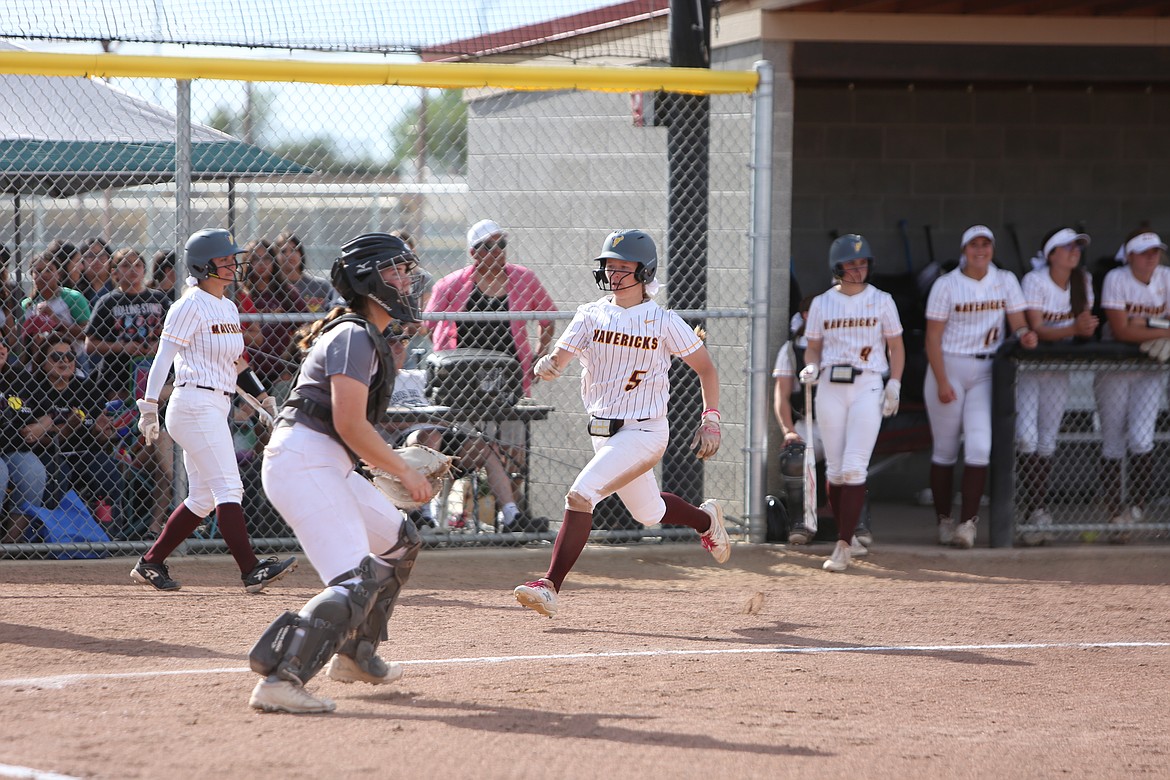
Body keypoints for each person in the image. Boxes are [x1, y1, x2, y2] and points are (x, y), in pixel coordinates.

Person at [247, 232, 433, 714]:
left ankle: (355, 652)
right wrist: (404, 472)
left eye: (406, 270)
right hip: (304, 461)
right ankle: (280, 679)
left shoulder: (365, 335)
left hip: (326, 462)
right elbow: (349, 424)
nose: (407, 280)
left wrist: (389, 459)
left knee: (400, 540)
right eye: (396, 271)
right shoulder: (353, 334)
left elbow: (349, 431)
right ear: (369, 280)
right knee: (353, 581)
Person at [512, 229, 728, 618]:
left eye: (623, 267)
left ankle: (548, 584)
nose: (613, 274)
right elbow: (561, 358)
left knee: (581, 494)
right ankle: (705, 520)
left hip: (644, 430)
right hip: (604, 431)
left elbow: (707, 369)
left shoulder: (662, 320)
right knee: (649, 513)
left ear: (644, 272)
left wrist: (710, 419)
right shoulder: (590, 313)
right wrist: (549, 366)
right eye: (609, 266)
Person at [131, 229, 296, 592]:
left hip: (215, 403)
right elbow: (163, 359)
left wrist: (262, 398)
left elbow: (236, 362)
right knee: (228, 488)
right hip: (192, 404)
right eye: (224, 260)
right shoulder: (189, 304)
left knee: (203, 497)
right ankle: (250, 569)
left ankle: (151, 562)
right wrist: (149, 405)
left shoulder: (226, 305)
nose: (232, 265)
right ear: (203, 265)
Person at [425, 219, 557, 502]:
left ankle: (508, 509)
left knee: (514, 449)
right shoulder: (452, 284)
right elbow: (429, 323)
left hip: (508, 379)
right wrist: (445, 356)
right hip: (463, 383)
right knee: (465, 447)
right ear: (474, 253)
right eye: (489, 246)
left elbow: (548, 316)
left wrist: (540, 353)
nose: (497, 251)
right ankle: (448, 507)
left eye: (501, 244)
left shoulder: (524, 279)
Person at [924, 225, 1039, 549]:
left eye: (986, 244)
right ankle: (944, 520)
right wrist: (943, 380)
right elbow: (932, 337)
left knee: (979, 446)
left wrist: (1024, 335)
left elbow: (1017, 323)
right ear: (964, 250)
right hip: (949, 365)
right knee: (945, 450)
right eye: (974, 245)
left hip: (988, 368)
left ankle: (967, 524)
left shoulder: (1004, 279)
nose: (980, 250)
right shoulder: (947, 284)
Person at [798, 234, 905, 572]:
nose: (858, 270)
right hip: (831, 384)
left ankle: (843, 544)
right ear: (837, 267)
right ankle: (850, 536)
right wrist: (811, 364)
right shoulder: (822, 303)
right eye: (850, 265)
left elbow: (896, 347)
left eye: (862, 264)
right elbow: (813, 345)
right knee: (835, 468)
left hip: (867, 383)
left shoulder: (882, 300)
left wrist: (896, 383)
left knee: (855, 466)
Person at [383, 328, 542, 533]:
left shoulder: (420, 375)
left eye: (402, 342)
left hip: (442, 432)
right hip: (404, 442)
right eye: (391, 343)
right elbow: (384, 422)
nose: (398, 348)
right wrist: (425, 418)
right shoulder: (374, 380)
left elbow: (449, 397)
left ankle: (512, 517)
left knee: (485, 448)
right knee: (430, 436)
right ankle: (423, 515)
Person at [1016, 228, 1099, 545]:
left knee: (1047, 440)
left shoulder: (1083, 280)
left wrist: (1082, 328)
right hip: (1029, 368)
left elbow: (1085, 328)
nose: (1074, 252)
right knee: (1026, 437)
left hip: (1059, 369)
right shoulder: (1035, 280)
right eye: (1067, 247)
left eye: (1077, 247)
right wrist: (1072, 327)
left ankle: (1038, 511)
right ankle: (1032, 506)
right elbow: (1037, 327)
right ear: (1051, 254)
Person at [1093, 231, 1170, 541]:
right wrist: (1161, 329)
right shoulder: (1116, 277)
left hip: (1149, 369)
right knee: (1112, 439)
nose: (1152, 257)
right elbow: (1121, 329)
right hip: (1115, 368)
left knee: (1141, 438)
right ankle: (1114, 512)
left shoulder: (1166, 276)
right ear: (1130, 256)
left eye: (1156, 251)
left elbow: (1132, 325)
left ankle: (1135, 507)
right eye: (1144, 252)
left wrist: (1143, 326)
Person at [27, 332, 126, 535]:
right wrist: (68, 429)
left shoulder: (86, 388)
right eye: (56, 357)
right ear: (43, 363)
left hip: (85, 451)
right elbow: (36, 440)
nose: (64, 361)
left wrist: (103, 432)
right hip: (49, 454)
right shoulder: (34, 390)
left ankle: (108, 532)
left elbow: (101, 434)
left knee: (108, 470)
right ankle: (53, 531)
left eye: (70, 356)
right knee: (58, 474)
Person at [86, 247, 172, 402]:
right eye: (126, 265)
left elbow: (175, 335)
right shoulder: (108, 302)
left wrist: (157, 346)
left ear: (144, 270)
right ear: (114, 272)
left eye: (137, 265)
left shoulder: (159, 299)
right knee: (122, 413)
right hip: (118, 376)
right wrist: (122, 347)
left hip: (155, 370)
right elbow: (90, 345)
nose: (133, 269)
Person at [237, 239, 307, 388]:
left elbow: (305, 328)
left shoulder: (287, 293)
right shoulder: (241, 295)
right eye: (256, 259)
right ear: (247, 262)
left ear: (274, 261)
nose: (262, 263)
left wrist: (290, 369)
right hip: (246, 369)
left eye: (267, 258)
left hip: (281, 371)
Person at [0, 337, 50, 545]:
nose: (1, 347)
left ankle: (11, 543)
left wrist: (41, 426)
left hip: (14, 447)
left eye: (3, 343)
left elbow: (48, 413)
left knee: (34, 473)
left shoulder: (18, 376)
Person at [19, 249, 91, 355]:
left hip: (72, 358)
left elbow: (87, 334)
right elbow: (20, 338)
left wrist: (54, 320)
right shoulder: (27, 304)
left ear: (58, 274)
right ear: (32, 276)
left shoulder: (73, 298)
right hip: (37, 360)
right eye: (38, 271)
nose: (44, 274)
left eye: (49, 270)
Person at [273, 231, 339, 314]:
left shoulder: (321, 286)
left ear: (301, 254)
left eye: (294, 249)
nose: (289, 255)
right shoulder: (272, 287)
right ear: (275, 256)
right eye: (283, 251)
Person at [78, 237, 114, 307]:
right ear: (82, 261)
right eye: (90, 256)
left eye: (102, 255)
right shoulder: (76, 291)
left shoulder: (118, 287)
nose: (97, 260)